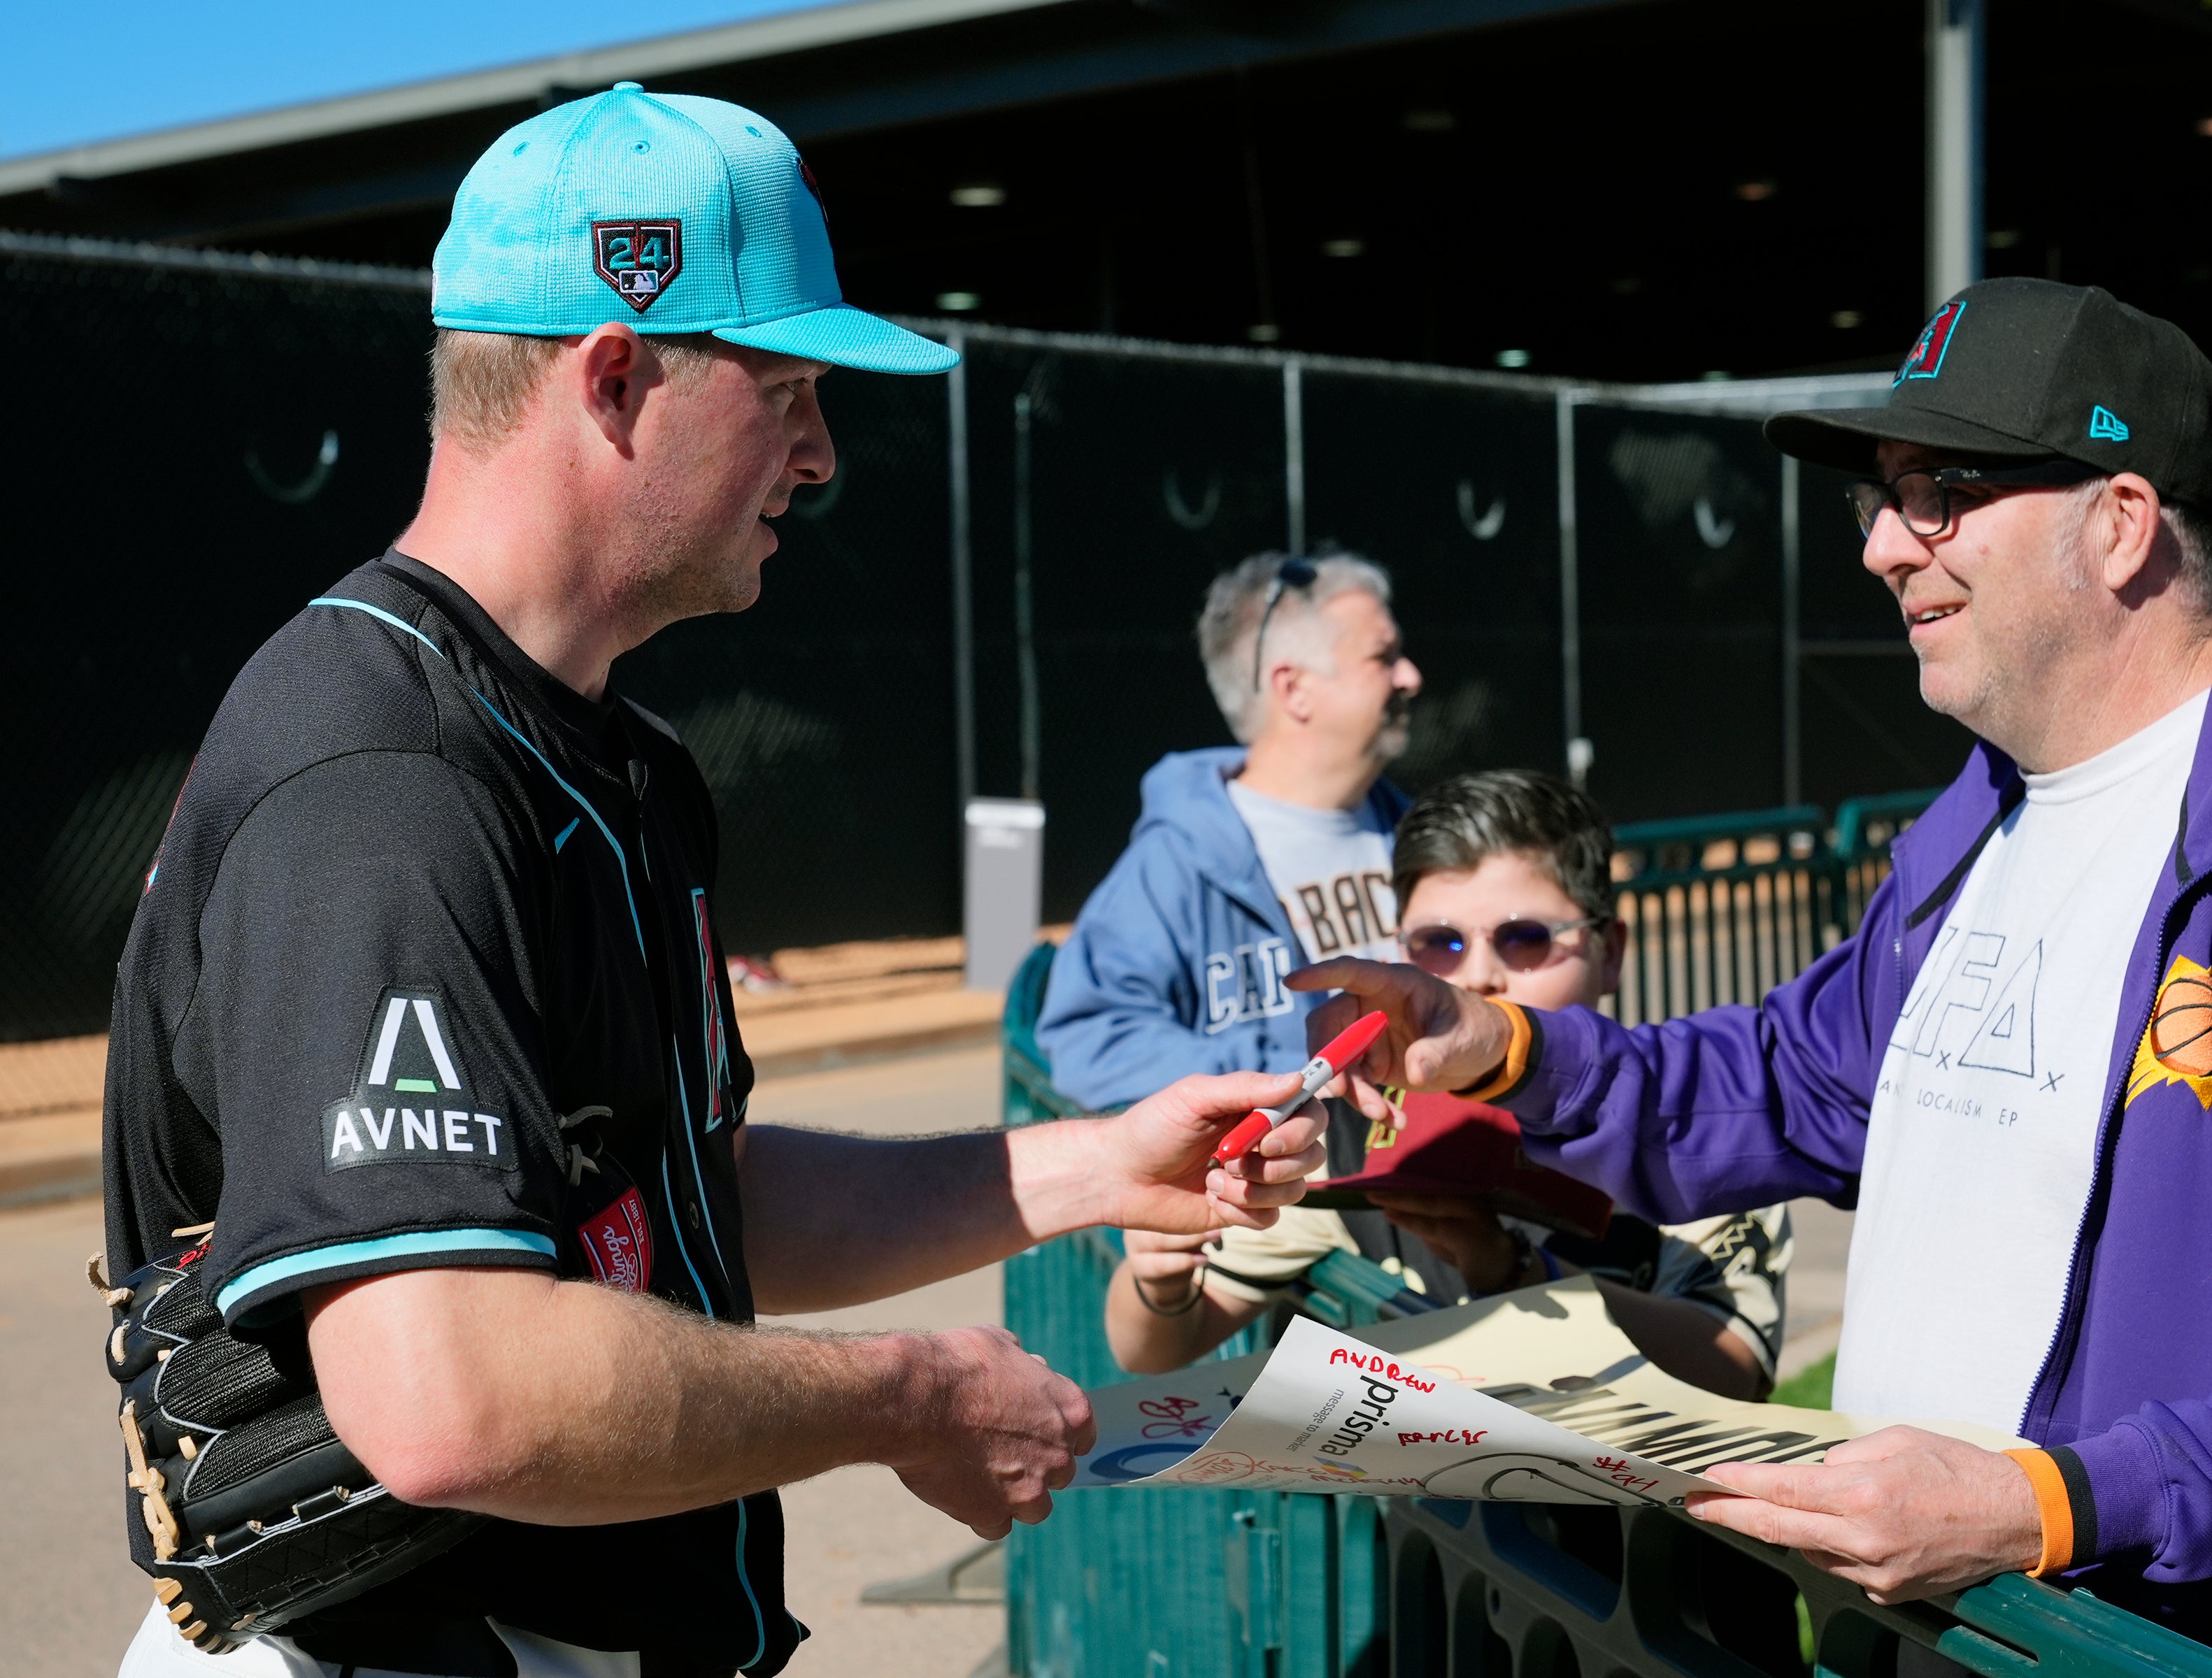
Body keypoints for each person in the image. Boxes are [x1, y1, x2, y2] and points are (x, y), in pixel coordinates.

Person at [101, 86, 1328, 1678]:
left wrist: (1099, 1164)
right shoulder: (385, 785)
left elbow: (688, 1201)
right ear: (614, 378)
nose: (818, 453)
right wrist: (912, 1392)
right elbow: (447, 1390)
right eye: (789, 387)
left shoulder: (601, 751)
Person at [1294, 280, 2212, 1672]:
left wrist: (2042, 1504)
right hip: (1925, 1637)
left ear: (2118, 526)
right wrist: (1502, 1043)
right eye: (1880, 496)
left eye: (1940, 493)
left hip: (2151, 1642)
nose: (1882, 546)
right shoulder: (1989, 811)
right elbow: (1786, 1080)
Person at [1105, 770, 1791, 1400]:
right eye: (1441, 944)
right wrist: (1158, 1279)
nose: (1479, 977)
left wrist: (1513, 1271)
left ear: (1609, 951)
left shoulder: (1697, 1116)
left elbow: (1736, 1369)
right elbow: (1153, 1349)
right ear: (1403, 954)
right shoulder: (1353, 1127)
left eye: (1526, 939)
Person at [1036, 551, 1420, 1111]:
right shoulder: (1178, 861)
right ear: (1294, 690)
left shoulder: (1425, 838)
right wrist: (1300, 1065)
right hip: (1279, 1192)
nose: (1411, 676)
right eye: (1383, 657)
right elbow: (1090, 1043)